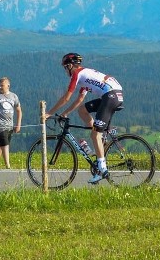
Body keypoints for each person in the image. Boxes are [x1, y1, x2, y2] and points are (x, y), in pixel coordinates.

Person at [43, 53, 124, 184]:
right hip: (114, 95)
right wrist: (65, 113)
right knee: (83, 110)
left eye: (65, 67)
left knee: (94, 135)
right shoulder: (85, 75)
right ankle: (100, 138)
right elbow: (80, 100)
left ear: (70, 66)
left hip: (110, 96)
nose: (65, 71)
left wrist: (49, 113)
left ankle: (102, 170)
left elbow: (66, 98)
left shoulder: (77, 75)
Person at [0, 77, 22, 169]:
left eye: (2, 85)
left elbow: (19, 111)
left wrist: (18, 124)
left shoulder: (14, 96)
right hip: (0, 124)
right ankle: (8, 166)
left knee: (0, 144)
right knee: (5, 144)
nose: (0, 87)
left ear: (8, 86)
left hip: (10, 125)